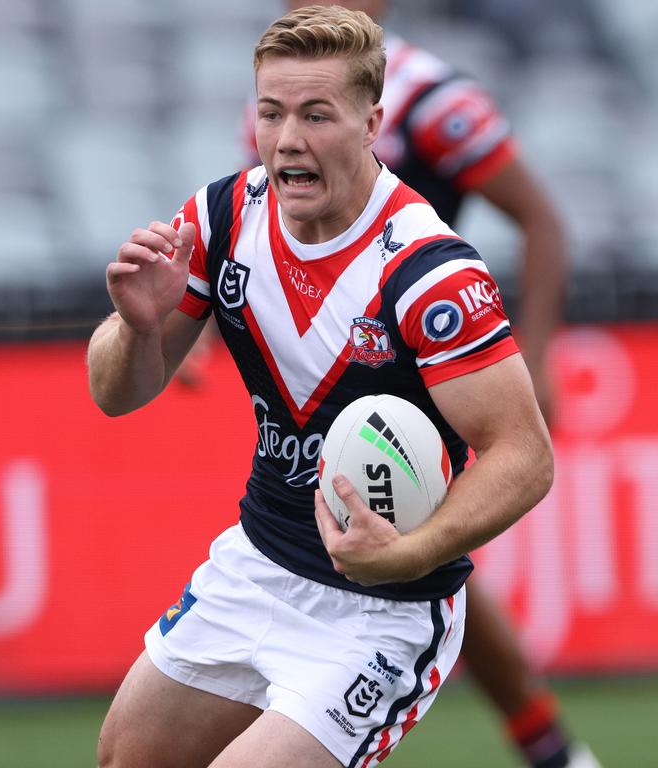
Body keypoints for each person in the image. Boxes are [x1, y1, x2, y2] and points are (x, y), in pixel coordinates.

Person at [88, 6, 553, 768]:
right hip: (258, 568)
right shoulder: (222, 217)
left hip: (381, 613)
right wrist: (135, 327)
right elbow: (116, 396)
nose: (288, 140)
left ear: (372, 125)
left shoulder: (430, 274)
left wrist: (412, 553)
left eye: (316, 115)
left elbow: (524, 456)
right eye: (270, 113)